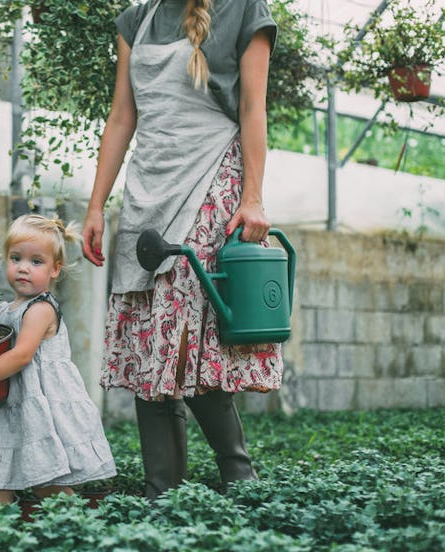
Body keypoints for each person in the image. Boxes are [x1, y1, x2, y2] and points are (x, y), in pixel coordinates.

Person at [81, 0, 283, 498]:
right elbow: (121, 117)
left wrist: (253, 198)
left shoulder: (242, 8)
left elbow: (253, 108)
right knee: (151, 335)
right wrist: (95, 207)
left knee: (187, 331)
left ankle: (239, 476)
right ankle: (162, 493)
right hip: (147, 191)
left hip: (210, 181)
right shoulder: (136, 19)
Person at [0, 214, 117, 504]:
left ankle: (79, 534)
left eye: (36, 262)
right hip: (8, 408)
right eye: (16, 258)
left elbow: (22, 355)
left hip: (41, 407)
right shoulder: (1, 309)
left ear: (55, 269)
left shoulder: (40, 309)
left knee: (47, 483)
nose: (24, 268)